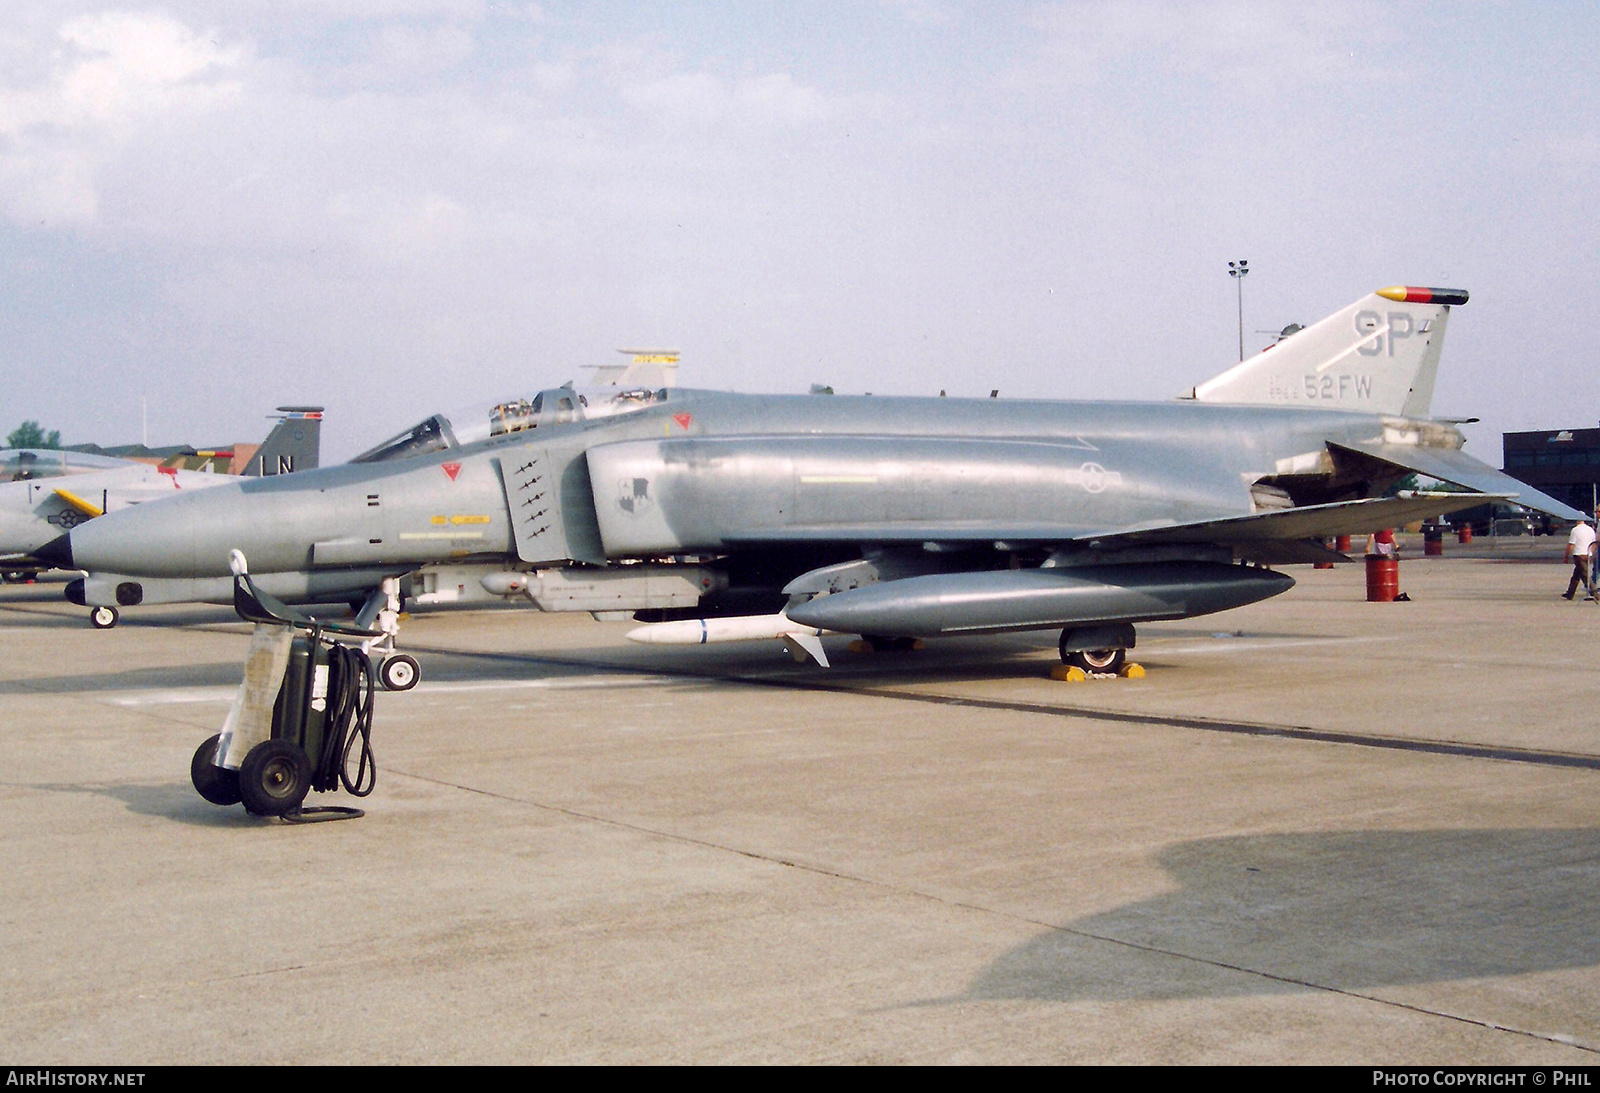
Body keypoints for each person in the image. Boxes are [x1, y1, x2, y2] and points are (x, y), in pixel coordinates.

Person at [1562, 516, 1597, 600]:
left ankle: (1595, 594)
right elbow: (1594, 543)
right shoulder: (1590, 529)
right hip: (1588, 554)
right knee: (1576, 575)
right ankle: (1570, 593)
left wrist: (1566, 556)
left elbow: (1571, 544)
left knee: (1585, 576)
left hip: (1579, 554)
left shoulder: (1575, 530)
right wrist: (1592, 553)